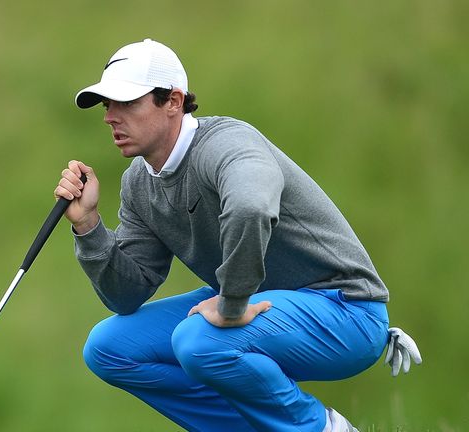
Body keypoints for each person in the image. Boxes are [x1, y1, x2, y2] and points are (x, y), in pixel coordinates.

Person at [54, 39, 420, 432]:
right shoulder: (139, 185)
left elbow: (252, 207)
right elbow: (126, 296)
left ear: (173, 101)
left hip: (346, 311)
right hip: (261, 302)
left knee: (199, 341)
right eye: (108, 105)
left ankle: (320, 428)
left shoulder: (227, 143)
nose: (110, 116)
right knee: (109, 348)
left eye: (126, 103)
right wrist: (88, 225)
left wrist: (230, 304)